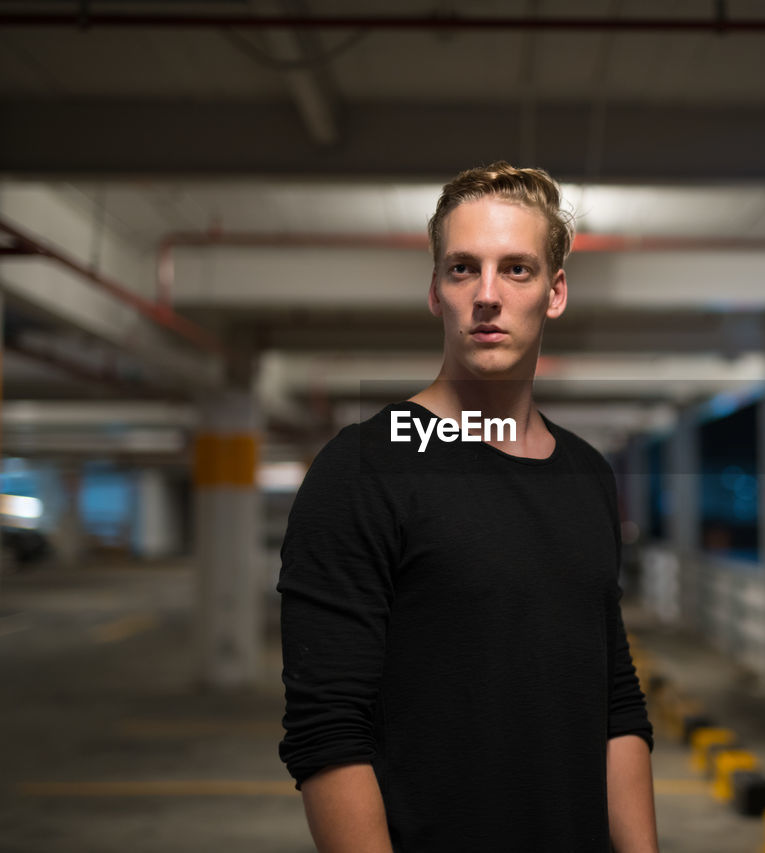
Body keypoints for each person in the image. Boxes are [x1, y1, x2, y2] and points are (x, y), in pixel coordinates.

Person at [276, 161, 658, 852]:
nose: (487, 295)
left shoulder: (587, 474)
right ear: (434, 292)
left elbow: (616, 700)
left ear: (555, 291)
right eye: (462, 269)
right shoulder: (365, 469)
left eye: (516, 269)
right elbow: (327, 730)